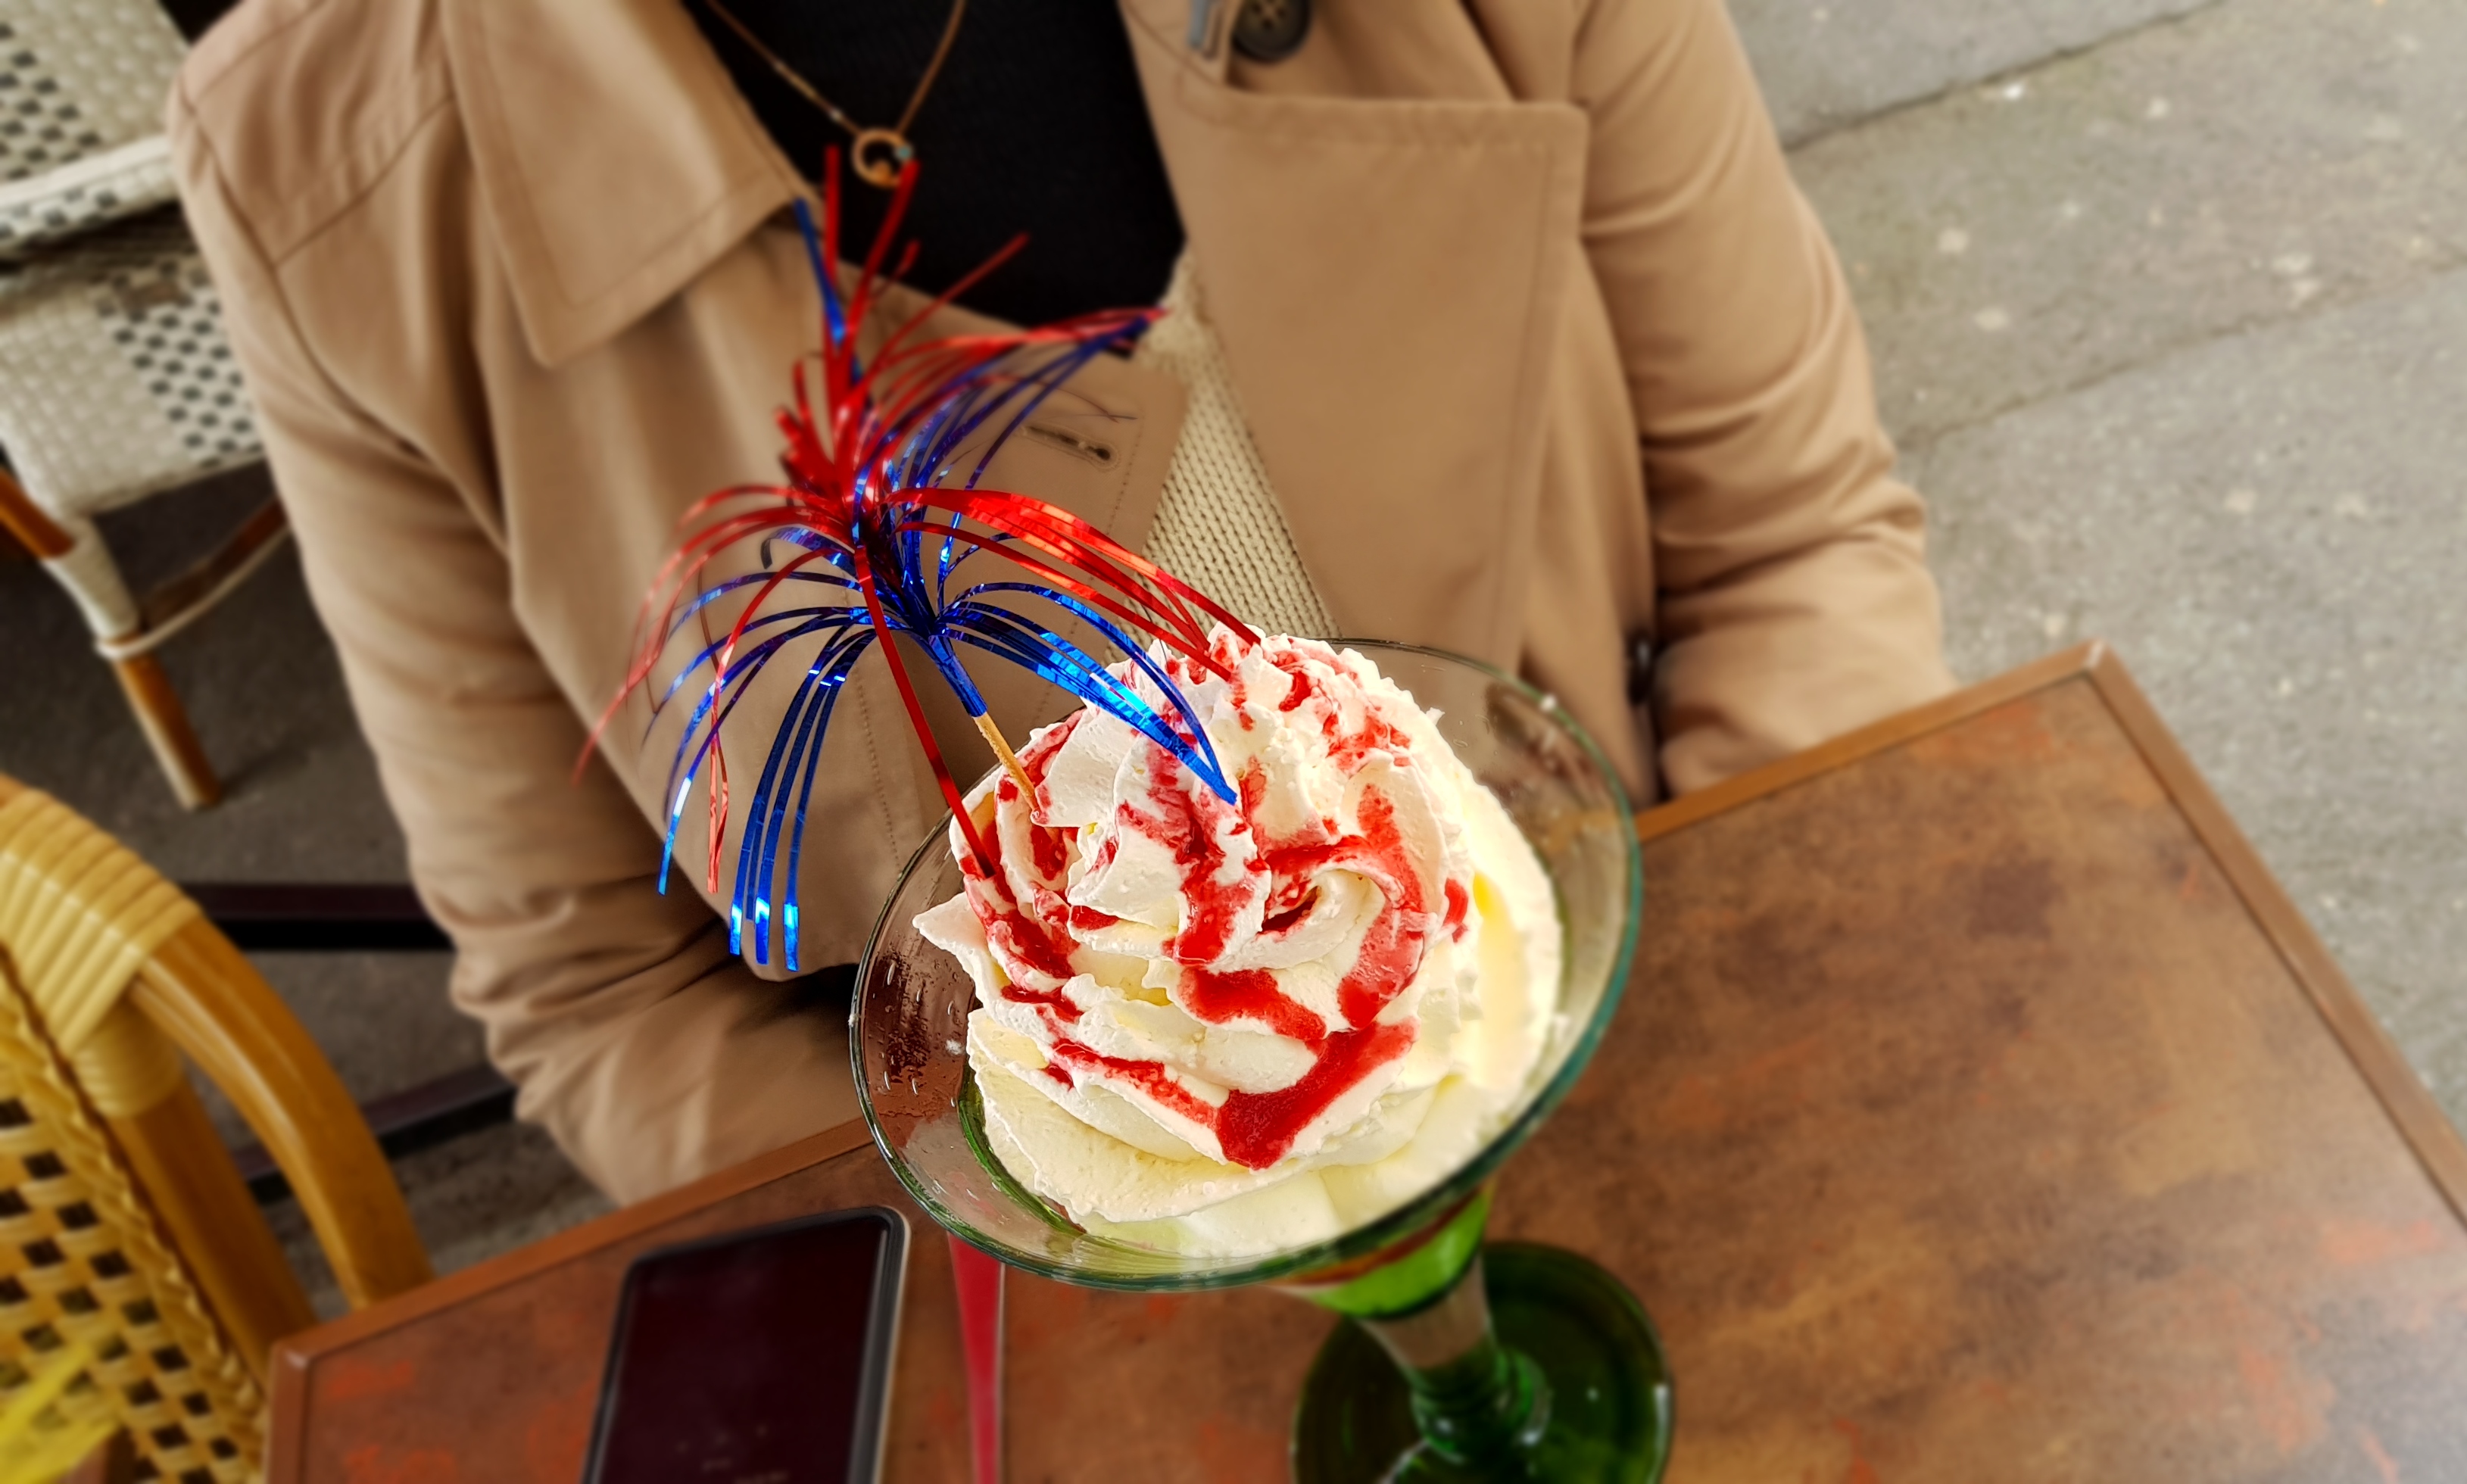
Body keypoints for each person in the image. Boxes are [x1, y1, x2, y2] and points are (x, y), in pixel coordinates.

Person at [167, 0, 1954, 1202]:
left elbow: (1788, 544)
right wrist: (1104, 1255)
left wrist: (1717, 1069)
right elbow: (608, 1003)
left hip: (1661, 1035)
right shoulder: (325, 161)